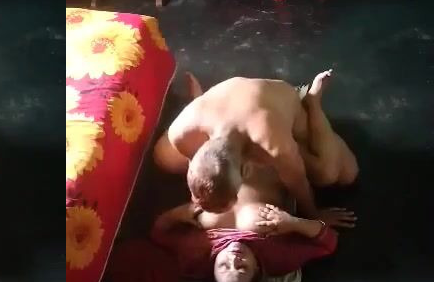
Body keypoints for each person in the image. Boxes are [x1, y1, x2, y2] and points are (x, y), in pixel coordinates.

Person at [153, 71, 358, 215]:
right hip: (221, 109)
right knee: (163, 158)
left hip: (279, 106)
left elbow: (298, 182)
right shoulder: (181, 132)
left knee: (331, 173)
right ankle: (198, 98)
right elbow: (197, 166)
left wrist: (313, 216)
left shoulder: (272, 142)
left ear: (246, 169)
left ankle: (312, 102)